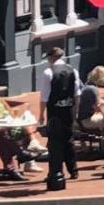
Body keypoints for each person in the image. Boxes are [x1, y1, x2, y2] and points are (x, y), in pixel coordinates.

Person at [0, 76, 45, 169]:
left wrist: (14, 116)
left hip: (6, 125)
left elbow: (10, 113)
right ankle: (29, 160)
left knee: (24, 124)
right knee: (18, 133)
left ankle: (33, 144)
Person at [38, 46, 81, 180]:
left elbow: (44, 97)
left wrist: (41, 115)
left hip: (55, 111)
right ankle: (73, 170)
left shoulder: (48, 72)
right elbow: (77, 94)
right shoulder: (73, 70)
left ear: (51, 57)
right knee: (68, 140)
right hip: (68, 109)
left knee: (55, 143)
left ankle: (56, 172)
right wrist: (75, 112)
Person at [78, 66, 104, 134]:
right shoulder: (93, 89)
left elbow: (93, 101)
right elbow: (97, 108)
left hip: (80, 119)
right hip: (86, 120)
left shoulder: (87, 86)